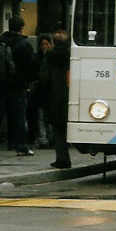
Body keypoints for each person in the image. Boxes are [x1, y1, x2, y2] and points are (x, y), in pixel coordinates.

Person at [0, 15, 35, 157]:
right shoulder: (24, 44)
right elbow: (30, 66)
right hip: (17, 86)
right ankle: (21, 146)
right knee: (19, 117)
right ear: (21, 27)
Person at [48, 27, 71, 169]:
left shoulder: (50, 57)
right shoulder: (71, 55)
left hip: (55, 95)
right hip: (69, 94)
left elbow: (45, 77)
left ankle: (62, 158)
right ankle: (64, 157)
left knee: (58, 130)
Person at [28, 33, 53, 148]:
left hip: (48, 92)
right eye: (42, 44)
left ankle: (49, 138)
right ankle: (44, 139)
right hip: (41, 92)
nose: (44, 46)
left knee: (47, 117)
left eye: (46, 44)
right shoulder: (37, 58)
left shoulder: (52, 57)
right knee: (41, 117)